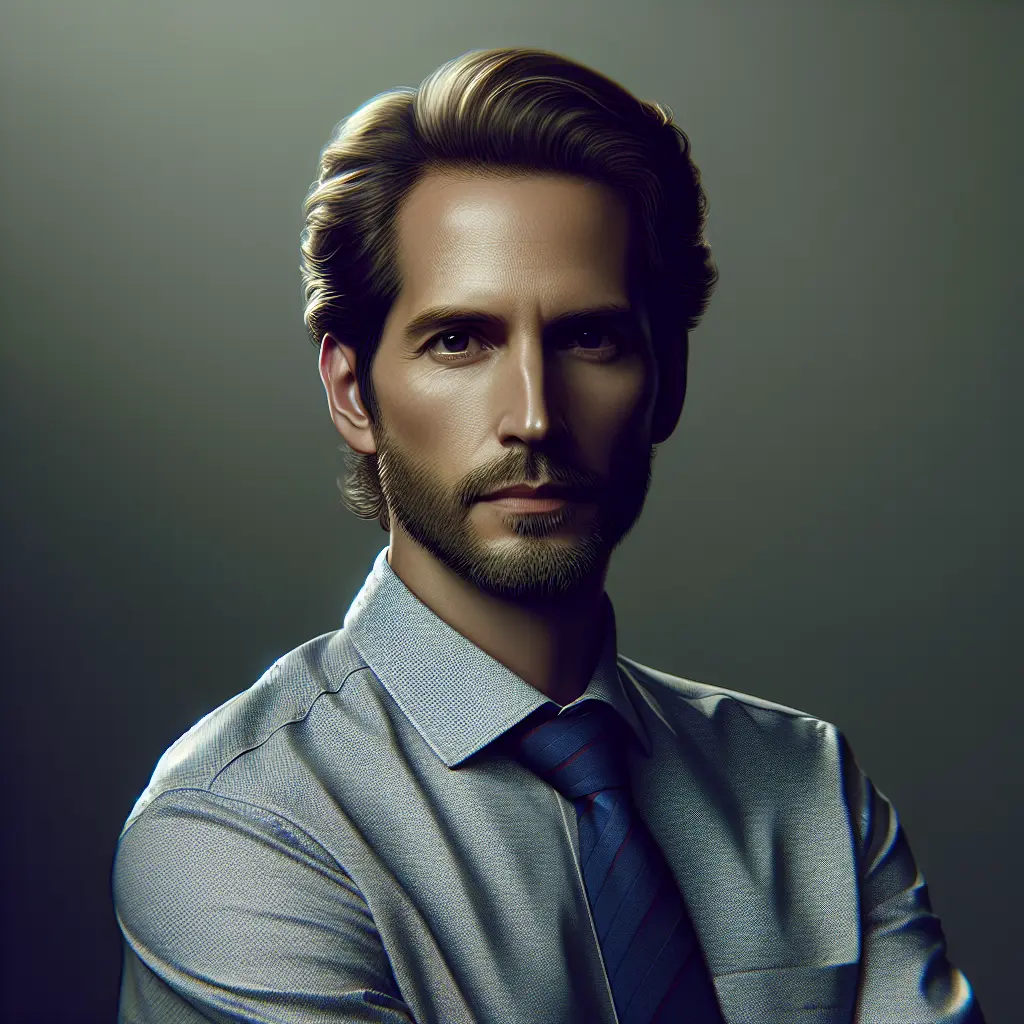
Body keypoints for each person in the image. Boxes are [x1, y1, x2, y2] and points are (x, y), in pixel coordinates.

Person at [112, 47, 984, 1024]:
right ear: (352, 391)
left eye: (589, 339)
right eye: (459, 340)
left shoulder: (811, 789)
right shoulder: (241, 824)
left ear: (668, 380)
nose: (533, 413)